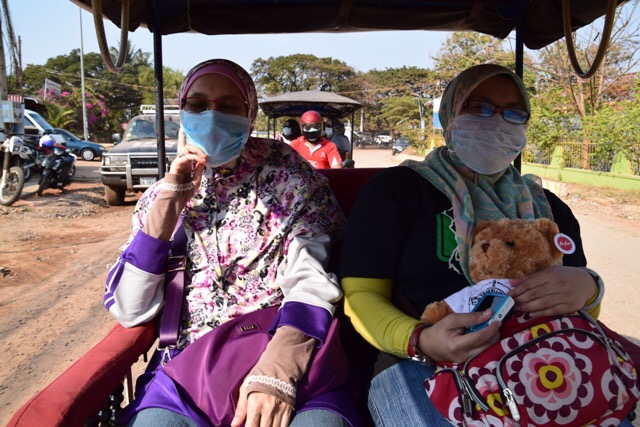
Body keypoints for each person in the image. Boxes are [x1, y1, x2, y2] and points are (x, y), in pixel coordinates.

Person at [339, 64, 635, 426]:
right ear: (450, 114)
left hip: (546, 357)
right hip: (422, 363)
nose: (496, 121)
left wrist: (591, 288)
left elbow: (577, 305)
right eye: (478, 107)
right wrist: (420, 340)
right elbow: (361, 296)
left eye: (513, 112)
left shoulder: (549, 207)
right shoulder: (397, 190)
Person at [104, 58, 358, 427]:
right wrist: (170, 203)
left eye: (227, 107)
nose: (211, 117)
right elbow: (131, 310)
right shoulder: (161, 196)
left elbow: (311, 283)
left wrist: (278, 372)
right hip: (187, 372)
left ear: (249, 113)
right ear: (182, 111)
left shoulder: (291, 178)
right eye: (197, 105)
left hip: (287, 351)